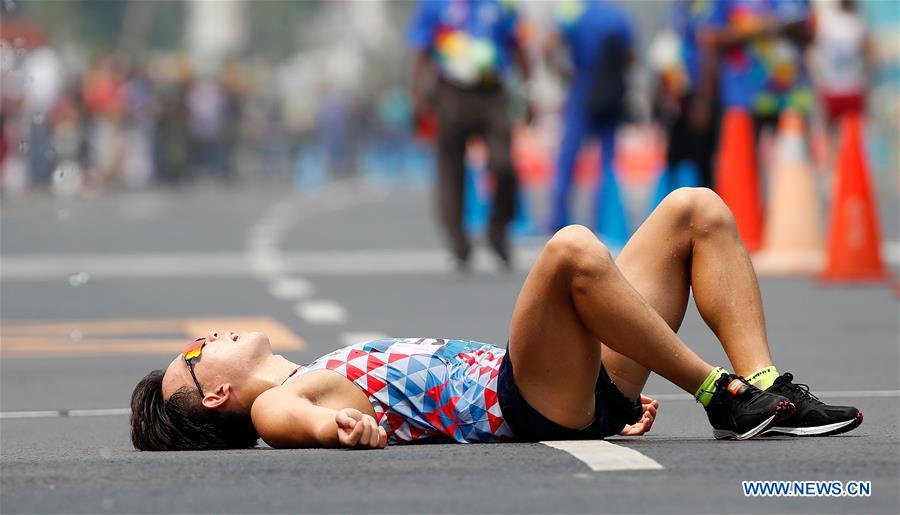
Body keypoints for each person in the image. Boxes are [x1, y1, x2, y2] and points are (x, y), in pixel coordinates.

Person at [131, 188, 862, 451]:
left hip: (560, 385)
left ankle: (768, 384)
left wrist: (601, 393)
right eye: (198, 349)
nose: (211, 335)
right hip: (526, 398)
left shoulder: (314, 368)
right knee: (572, 249)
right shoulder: (282, 405)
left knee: (692, 211)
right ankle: (723, 395)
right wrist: (340, 430)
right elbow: (298, 425)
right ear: (218, 394)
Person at [407, 0, 533, 272]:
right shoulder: (435, 5)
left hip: (493, 94)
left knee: (504, 165)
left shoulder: (503, 5)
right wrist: (417, 96)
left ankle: (498, 231)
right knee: (451, 171)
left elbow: (518, 45)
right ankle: (459, 244)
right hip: (451, 93)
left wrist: (528, 91)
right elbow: (421, 49)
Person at [544, 0, 635, 243]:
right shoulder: (618, 16)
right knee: (607, 163)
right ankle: (603, 222)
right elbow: (629, 56)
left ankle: (558, 220)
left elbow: (550, 46)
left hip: (582, 89)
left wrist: (560, 72)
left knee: (568, 160)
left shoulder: (573, 11)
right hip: (610, 94)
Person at [652, 0, 721, 190]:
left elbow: (710, 50)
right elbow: (666, 52)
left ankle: (704, 211)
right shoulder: (676, 10)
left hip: (698, 96)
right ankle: (676, 210)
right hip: (678, 97)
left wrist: (704, 100)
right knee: (674, 158)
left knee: (702, 159)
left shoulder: (708, 8)